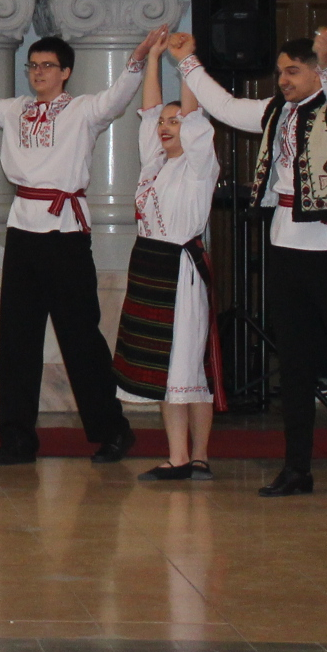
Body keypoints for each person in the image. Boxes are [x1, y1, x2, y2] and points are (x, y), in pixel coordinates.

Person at [0, 23, 155, 468]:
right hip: (23, 233)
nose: (38, 73)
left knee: (81, 339)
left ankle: (112, 430)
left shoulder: (83, 110)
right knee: (17, 342)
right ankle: (17, 440)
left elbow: (118, 97)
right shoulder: (16, 110)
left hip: (66, 235)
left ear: (65, 72)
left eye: (47, 66)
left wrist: (139, 57)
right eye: (32, 66)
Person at [175, 27, 327, 499]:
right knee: (293, 361)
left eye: (292, 71)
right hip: (288, 244)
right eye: (279, 72)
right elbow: (226, 107)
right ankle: (297, 468)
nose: (283, 80)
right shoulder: (277, 111)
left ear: (317, 73)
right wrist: (188, 62)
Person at [118, 36, 222, 481]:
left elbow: (194, 116)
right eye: (164, 122)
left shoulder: (200, 165)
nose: (165, 126)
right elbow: (148, 110)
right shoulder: (154, 163)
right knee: (172, 365)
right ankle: (186, 455)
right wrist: (154, 58)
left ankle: (190, 457)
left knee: (183, 364)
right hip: (149, 266)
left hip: (180, 269)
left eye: (174, 122)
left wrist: (186, 61)